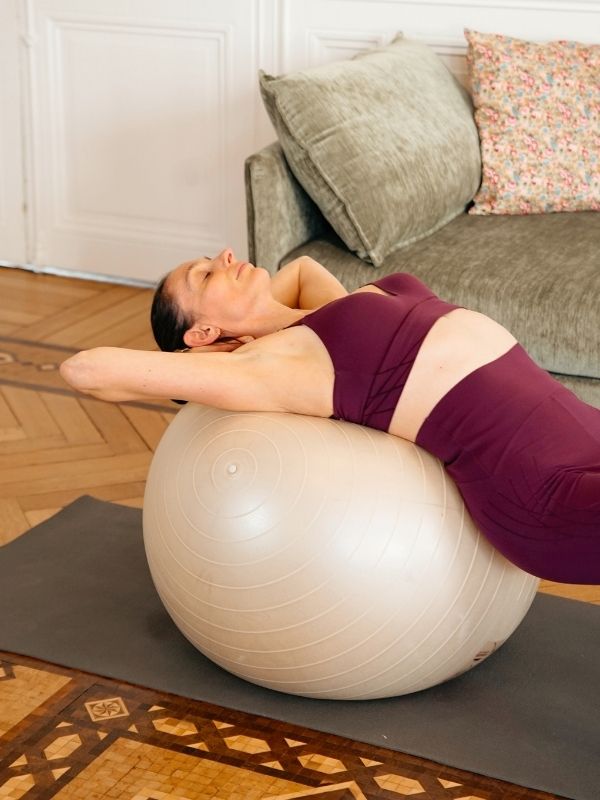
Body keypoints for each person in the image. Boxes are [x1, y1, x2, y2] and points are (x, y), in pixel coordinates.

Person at [60, 249, 600, 585]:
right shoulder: (273, 366)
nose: (225, 254)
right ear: (200, 334)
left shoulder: (317, 317)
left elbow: (302, 270)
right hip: (545, 493)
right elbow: (85, 370)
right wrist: (206, 360)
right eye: (204, 275)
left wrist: (253, 317)